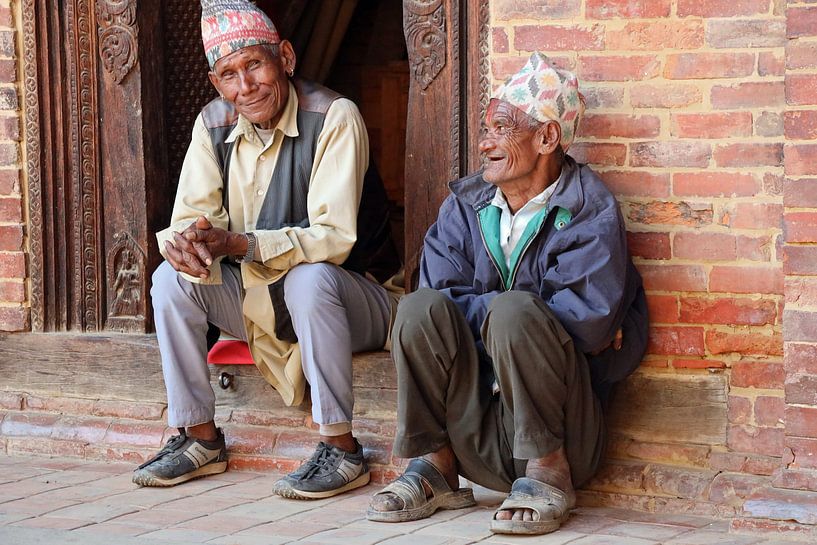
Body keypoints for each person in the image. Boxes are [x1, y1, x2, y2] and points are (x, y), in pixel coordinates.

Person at [366, 52, 648, 535]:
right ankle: (434, 466)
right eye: (486, 128)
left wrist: (504, 314)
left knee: (516, 311)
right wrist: (503, 314)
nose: (485, 142)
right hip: (474, 423)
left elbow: (589, 322)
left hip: (560, 431)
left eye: (501, 128)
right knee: (417, 309)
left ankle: (547, 474)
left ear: (547, 137)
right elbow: (437, 298)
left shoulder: (586, 206)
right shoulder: (467, 204)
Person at [133, 0, 401, 500]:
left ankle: (341, 449)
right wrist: (186, 242)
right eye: (229, 75)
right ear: (217, 84)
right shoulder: (213, 123)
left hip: (356, 300)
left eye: (255, 65)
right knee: (170, 279)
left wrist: (241, 244)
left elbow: (335, 239)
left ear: (286, 57)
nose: (246, 86)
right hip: (261, 300)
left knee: (310, 276)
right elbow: (191, 216)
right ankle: (200, 438)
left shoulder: (334, 116)